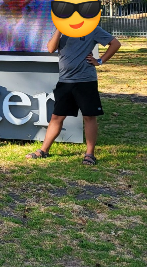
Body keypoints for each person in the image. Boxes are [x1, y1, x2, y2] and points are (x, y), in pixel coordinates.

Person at [27, 24, 121, 165]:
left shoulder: (91, 28)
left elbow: (115, 44)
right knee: (57, 117)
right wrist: (60, 29)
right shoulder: (61, 29)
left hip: (86, 81)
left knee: (89, 116)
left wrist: (100, 61)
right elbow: (51, 49)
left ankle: (90, 155)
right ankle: (44, 151)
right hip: (65, 81)